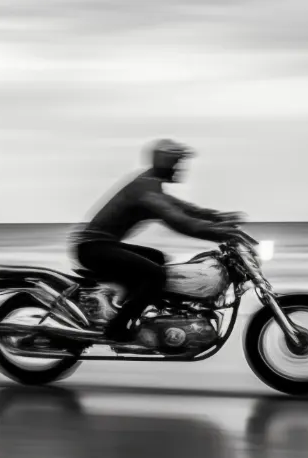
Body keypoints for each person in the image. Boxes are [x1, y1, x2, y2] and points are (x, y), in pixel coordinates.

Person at [73, 139, 244, 344]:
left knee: (157, 257)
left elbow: (187, 209)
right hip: (93, 248)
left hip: (101, 245)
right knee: (155, 275)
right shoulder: (146, 189)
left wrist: (221, 218)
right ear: (166, 162)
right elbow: (181, 221)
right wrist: (221, 234)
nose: (180, 168)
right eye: (176, 162)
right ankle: (117, 327)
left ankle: (139, 308)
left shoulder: (151, 185)